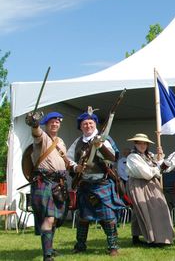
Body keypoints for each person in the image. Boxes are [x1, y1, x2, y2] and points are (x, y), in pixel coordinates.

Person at [68, 108, 125, 256]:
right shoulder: (77, 142)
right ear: (81, 126)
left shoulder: (105, 139)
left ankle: (113, 247)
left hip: (102, 183)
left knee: (109, 217)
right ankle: (80, 246)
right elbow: (68, 160)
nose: (88, 126)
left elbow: (113, 157)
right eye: (85, 124)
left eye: (91, 123)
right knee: (83, 219)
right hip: (85, 185)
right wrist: (76, 167)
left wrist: (101, 147)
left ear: (95, 125)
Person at [25, 112, 73, 261]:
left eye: (57, 122)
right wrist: (35, 124)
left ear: (60, 124)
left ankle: (50, 249)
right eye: (51, 122)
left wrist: (74, 167)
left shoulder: (61, 141)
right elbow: (36, 133)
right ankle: (47, 256)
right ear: (46, 124)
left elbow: (65, 160)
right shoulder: (42, 137)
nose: (54, 124)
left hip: (58, 183)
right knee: (49, 218)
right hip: (44, 182)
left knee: (55, 220)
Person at [125, 133, 174, 247]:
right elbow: (146, 173)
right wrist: (159, 168)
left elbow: (159, 168)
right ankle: (152, 239)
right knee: (144, 209)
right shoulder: (132, 157)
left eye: (144, 143)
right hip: (138, 184)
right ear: (135, 144)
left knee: (158, 207)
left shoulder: (150, 156)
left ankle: (139, 237)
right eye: (139, 143)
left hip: (151, 183)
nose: (142, 145)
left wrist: (161, 160)